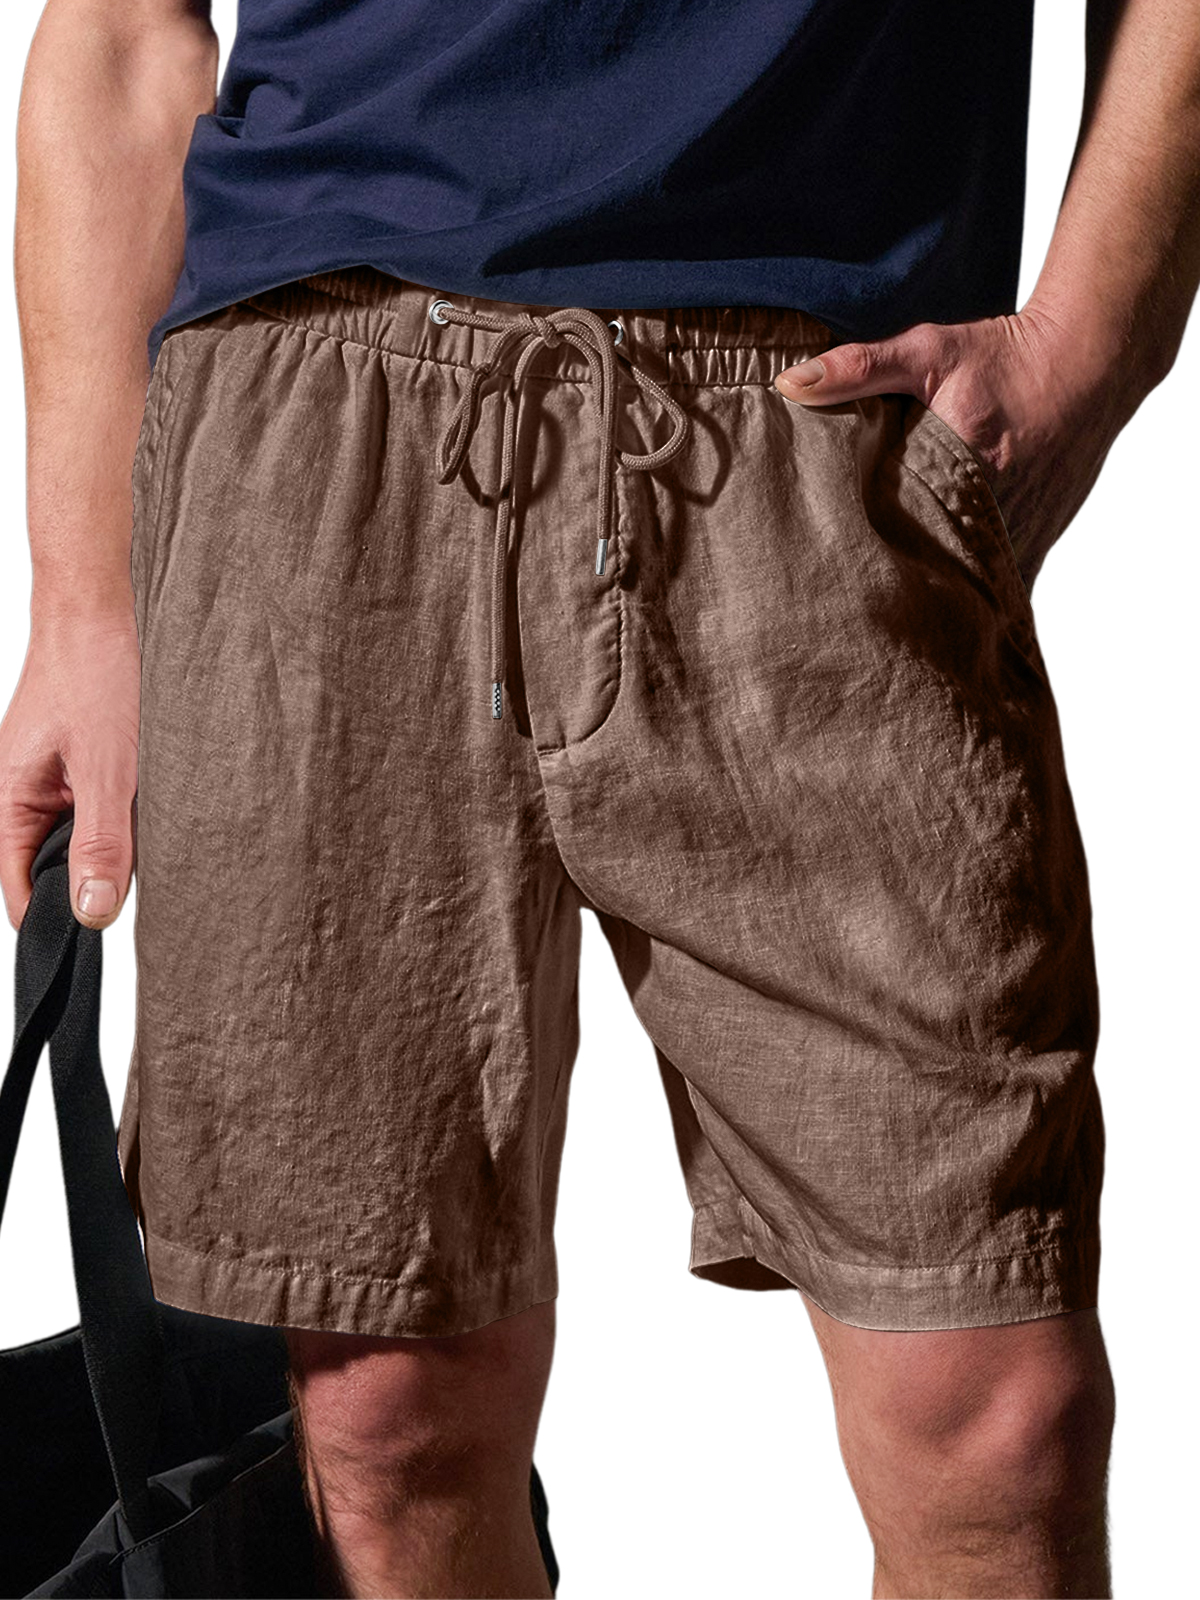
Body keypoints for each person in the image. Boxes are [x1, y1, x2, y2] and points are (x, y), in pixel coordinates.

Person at [1, 0, 1196, 1594]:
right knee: (385, 1414)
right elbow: (122, 31)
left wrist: (1087, 349)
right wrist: (83, 606)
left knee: (993, 1415)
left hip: (812, 422)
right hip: (320, 422)